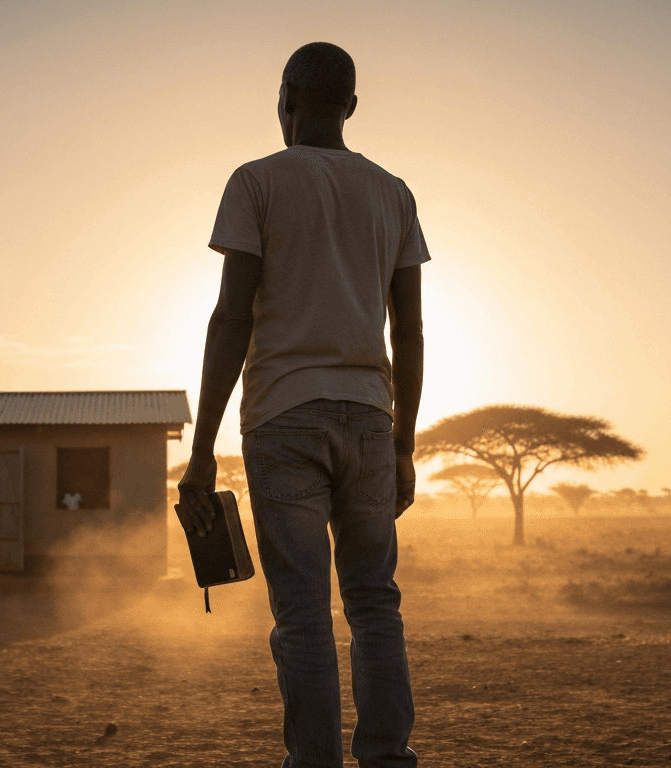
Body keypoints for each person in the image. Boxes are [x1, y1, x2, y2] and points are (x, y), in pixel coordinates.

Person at [176, 42, 427, 768]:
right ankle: (388, 758)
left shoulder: (257, 181)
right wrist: (403, 444)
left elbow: (232, 320)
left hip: (284, 421)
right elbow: (406, 331)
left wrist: (201, 455)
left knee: (304, 615)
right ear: (350, 106)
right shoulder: (394, 192)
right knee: (376, 602)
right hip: (370, 421)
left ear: (284, 98)